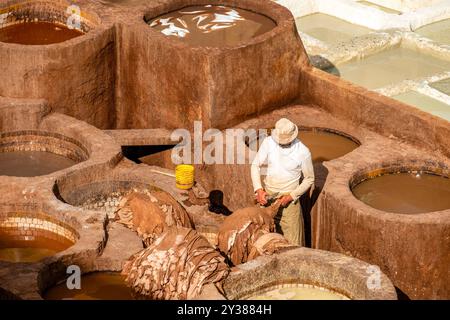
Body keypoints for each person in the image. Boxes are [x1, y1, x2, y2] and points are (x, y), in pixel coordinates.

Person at [250, 118, 315, 246]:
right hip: (268, 198)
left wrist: (291, 196)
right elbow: (255, 165)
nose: (282, 143)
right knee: (265, 242)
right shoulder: (269, 142)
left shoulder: (303, 151)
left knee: (293, 245)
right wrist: (259, 190)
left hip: (290, 203)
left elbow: (309, 179)